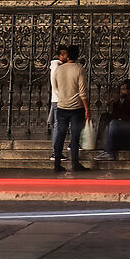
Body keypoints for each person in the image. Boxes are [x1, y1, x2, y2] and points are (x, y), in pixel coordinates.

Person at [48, 44, 90, 173]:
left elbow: (55, 86)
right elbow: (82, 92)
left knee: (60, 134)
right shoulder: (79, 69)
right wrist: (87, 108)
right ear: (77, 55)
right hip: (76, 108)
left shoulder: (59, 69)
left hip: (62, 106)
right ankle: (75, 163)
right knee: (75, 135)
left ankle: (56, 164)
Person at [97, 78, 130, 165]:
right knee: (105, 117)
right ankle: (99, 143)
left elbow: (125, 115)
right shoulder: (126, 100)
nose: (121, 92)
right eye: (121, 89)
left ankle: (109, 152)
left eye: (124, 89)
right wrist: (113, 105)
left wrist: (117, 103)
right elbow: (117, 115)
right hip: (128, 127)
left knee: (114, 124)